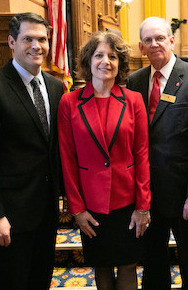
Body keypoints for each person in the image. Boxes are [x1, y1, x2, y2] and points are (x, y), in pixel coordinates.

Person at [0, 12, 64, 290]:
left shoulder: (56, 88)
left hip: (46, 210)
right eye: (28, 39)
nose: (37, 46)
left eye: (42, 39)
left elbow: (53, 149)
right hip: (10, 216)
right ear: (11, 42)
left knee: (40, 280)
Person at [127, 17, 188, 290]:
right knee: (153, 262)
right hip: (147, 193)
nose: (154, 44)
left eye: (160, 38)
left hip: (183, 193)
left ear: (172, 41)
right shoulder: (135, 81)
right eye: (148, 40)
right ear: (142, 47)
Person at [58, 31, 151, 290]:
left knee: (128, 264)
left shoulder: (133, 100)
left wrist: (143, 205)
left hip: (127, 201)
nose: (105, 61)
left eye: (112, 56)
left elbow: (142, 154)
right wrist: (76, 208)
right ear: (89, 61)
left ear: (120, 63)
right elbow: (67, 157)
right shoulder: (69, 102)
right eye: (99, 55)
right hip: (91, 204)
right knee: (101, 265)